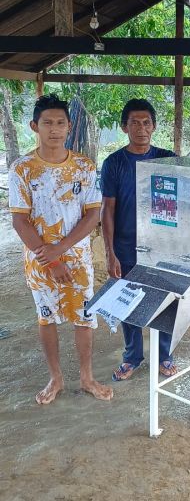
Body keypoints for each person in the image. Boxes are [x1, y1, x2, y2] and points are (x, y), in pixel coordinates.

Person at [8, 94, 113, 404]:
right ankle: (55, 378)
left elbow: (92, 214)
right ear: (34, 126)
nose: (54, 129)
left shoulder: (83, 166)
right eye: (47, 123)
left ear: (69, 126)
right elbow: (20, 221)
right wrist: (51, 260)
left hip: (77, 259)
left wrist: (62, 250)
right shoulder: (21, 169)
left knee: (84, 318)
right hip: (40, 261)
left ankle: (87, 377)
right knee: (46, 318)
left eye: (60, 123)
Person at [101, 98, 178, 382]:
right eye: (134, 122)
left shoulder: (167, 158)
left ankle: (164, 354)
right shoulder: (114, 163)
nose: (141, 128)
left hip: (162, 245)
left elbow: (186, 192)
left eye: (146, 122)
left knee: (165, 300)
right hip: (126, 245)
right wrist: (110, 252)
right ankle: (132, 356)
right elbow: (107, 209)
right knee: (129, 301)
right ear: (124, 127)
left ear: (154, 126)